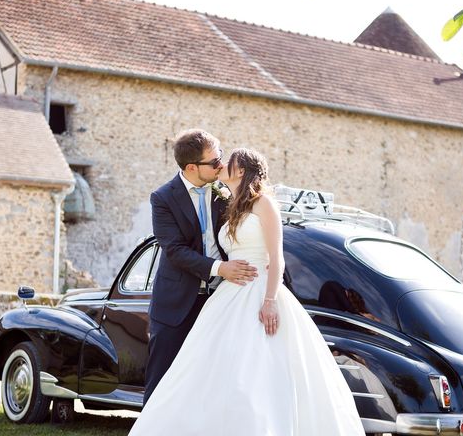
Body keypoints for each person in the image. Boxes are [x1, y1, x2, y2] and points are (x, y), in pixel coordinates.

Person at [130, 148, 365, 435]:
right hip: (228, 295)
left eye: (228, 161)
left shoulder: (264, 203)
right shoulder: (231, 204)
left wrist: (269, 300)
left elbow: (277, 258)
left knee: (256, 373)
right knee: (210, 371)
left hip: (260, 291)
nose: (222, 164)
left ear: (241, 170)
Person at [143, 129, 258, 405]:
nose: (222, 164)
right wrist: (221, 269)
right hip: (175, 304)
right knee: (162, 382)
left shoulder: (224, 192)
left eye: (221, 157)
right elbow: (175, 251)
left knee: (210, 384)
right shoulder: (162, 199)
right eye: (215, 161)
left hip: (221, 302)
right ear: (192, 167)